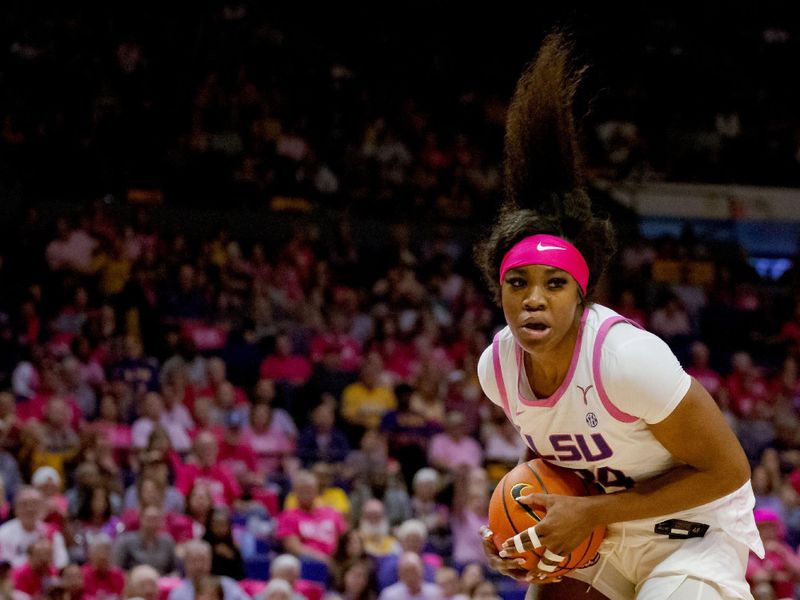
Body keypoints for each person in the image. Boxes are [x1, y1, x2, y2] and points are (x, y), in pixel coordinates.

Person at [474, 32, 762, 600]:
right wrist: (523, 527)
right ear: (498, 291)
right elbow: (555, 454)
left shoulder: (626, 359)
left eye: (554, 284)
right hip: (600, 531)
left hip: (691, 531)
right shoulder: (497, 369)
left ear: (580, 295)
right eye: (518, 283)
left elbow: (729, 472)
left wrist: (587, 514)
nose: (534, 298)